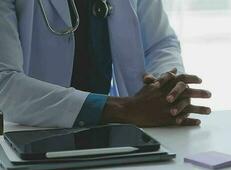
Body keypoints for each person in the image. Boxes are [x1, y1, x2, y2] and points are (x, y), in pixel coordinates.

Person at [0, 0, 211, 128]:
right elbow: (4, 83)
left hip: (121, 132)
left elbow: (160, 43)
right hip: (30, 131)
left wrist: (165, 91)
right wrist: (126, 109)